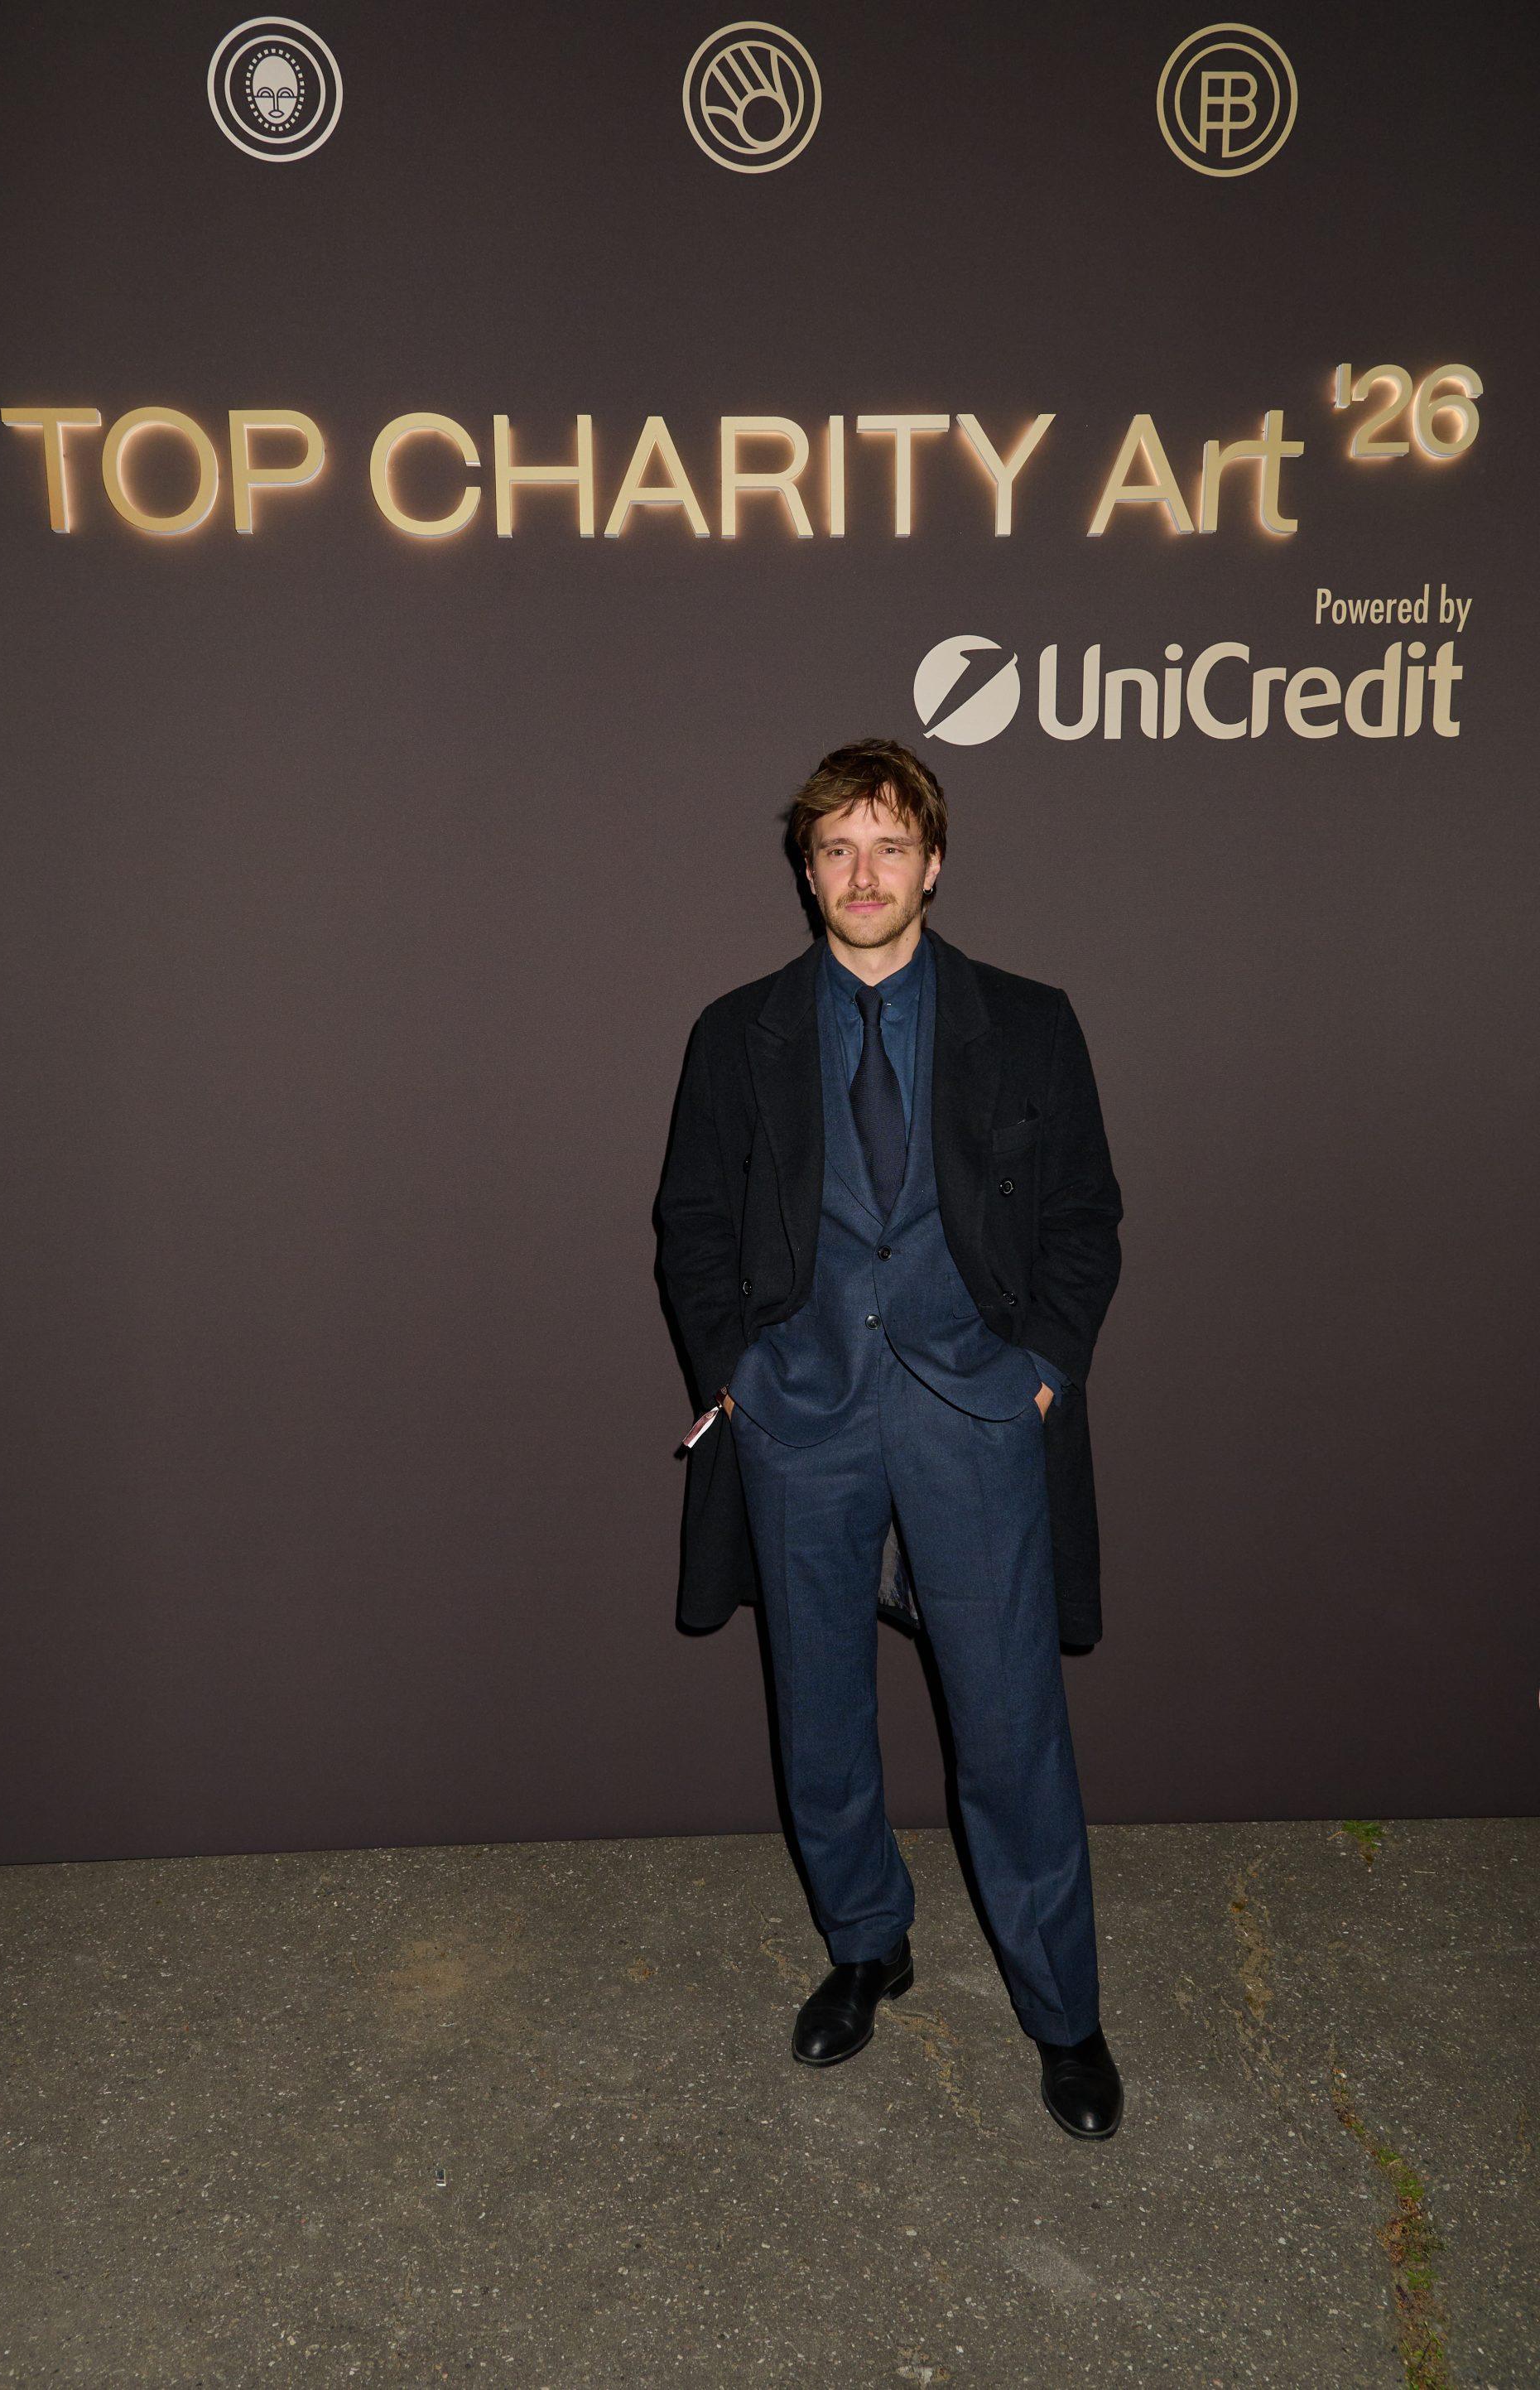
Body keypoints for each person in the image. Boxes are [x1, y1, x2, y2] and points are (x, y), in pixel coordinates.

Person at [654, 738, 1124, 2138]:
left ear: (934, 863)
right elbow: (689, 1223)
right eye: (837, 850)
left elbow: (1086, 1218)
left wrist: (1038, 1376)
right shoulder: (735, 1032)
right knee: (820, 1717)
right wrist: (738, 1375)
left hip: (975, 1412)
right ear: (808, 873)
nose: (864, 875)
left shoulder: (1029, 1021)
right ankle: (868, 1942)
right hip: (800, 1416)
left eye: (890, 847)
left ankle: (1065, 2012)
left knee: (1010, 1729)